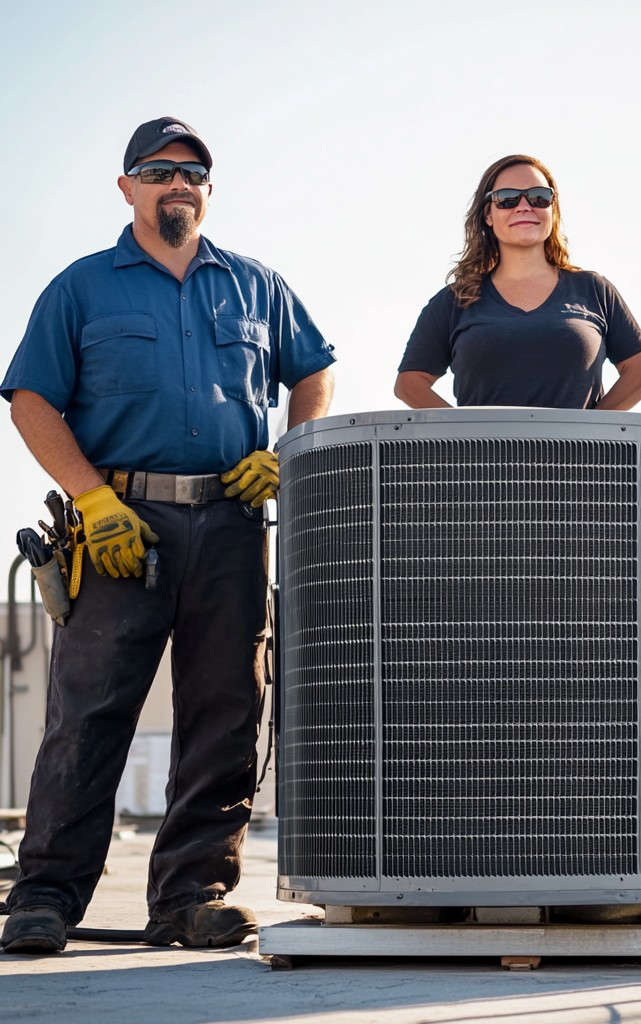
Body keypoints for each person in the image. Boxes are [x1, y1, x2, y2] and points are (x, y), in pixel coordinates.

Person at [0, 117, 336, 954]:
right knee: (90, 713)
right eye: (158, 170)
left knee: (225, 713)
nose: (176, 182)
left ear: (208, 190)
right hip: (118, 530)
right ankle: (44, 899)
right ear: (128, 188)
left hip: (230, 525)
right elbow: (32, 399)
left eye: (193, 172)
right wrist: (93, 501)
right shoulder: (81, 288)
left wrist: (285, 452)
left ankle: (193, 896)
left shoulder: (257, 286)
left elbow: (316, 371)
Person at [394, 154, 641, 410]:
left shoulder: (593, 290)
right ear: (488, 215)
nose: (524, 206)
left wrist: (591, 433)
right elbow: (409, 384)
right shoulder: (454, 300)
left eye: (538, 197)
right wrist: (465, 438)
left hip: (576, 454)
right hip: (484, 455)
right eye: (507, 199)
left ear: (552, 210)